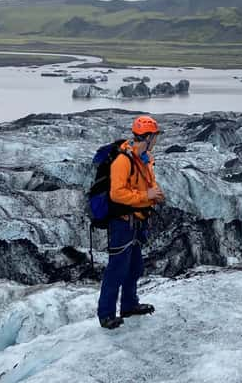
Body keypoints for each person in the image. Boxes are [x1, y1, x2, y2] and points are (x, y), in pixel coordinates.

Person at [98, 115, 165, 329]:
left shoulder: (144, 159)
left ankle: (128, 304)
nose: (156, 140)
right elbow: (117, 194)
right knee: (116, 269)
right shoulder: (123, 161)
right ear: (147, 137)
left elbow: (146, 186)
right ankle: (106, 314)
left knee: (134, 266)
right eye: (154, 136)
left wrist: (154, 195)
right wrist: (147, 195)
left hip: (136, 221)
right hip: (122, 222)